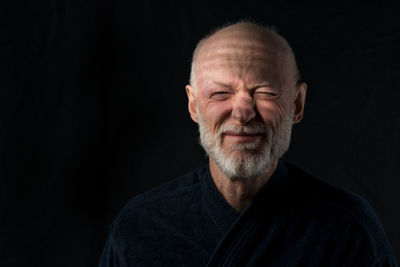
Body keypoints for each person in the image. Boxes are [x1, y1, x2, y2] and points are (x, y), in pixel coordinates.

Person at [99, 22, 397, 266]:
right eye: (219, 93)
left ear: (296, 104)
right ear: (193, 105)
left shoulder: (347, 229)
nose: (242, 112)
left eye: (265, 92)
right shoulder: (140, 227)